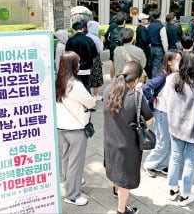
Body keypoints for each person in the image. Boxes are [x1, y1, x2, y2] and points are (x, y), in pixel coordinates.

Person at [103, 61, 153, 214]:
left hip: (110, 141)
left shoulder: (108, 90)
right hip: (127, 145)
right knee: (125, 178)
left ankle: (116, 190)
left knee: (115, 169)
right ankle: (121, 210)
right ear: (136, 80)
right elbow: (150, 121)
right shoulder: (137, 98)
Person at [162, 51, 194, 206]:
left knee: (175, 157)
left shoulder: (171, 79)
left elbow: (167, 101)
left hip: (175, 126)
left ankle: (172, 189)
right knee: (190, 162)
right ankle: (185, 194)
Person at [56, 51, 96, 206]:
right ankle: (72, 195)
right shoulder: (75, 84)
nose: (79, 65)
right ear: (72, 66)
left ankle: (68, 181)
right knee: (76, 162)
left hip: (63, 126)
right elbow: (90, 102)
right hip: (76, 126)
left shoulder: (58, 80)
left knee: (67, 157)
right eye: (77, 63)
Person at [142, 51, 182, 177]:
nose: (180, 63)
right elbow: (145, 87)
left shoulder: (176, 75)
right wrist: (153, 99)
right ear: (169, 62)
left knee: (169, 142)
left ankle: (162, 165)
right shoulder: (163, 76)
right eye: (177, 60)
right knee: (162, 142)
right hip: (162, 113)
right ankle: (149, 164)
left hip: (172, 113)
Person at [65, 21, 98, 92]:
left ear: (73, 30)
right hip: (87, 68)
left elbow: (67, 55)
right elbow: (94, 54)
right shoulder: (89, 40)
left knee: (76, 88)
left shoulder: (70, 40)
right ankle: (87, 101)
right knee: (87, 86)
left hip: (75, 68)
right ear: (83, 29)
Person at [86, 21, 104, 101]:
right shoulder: (96, 38)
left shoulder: (86, 36)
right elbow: (100, 50)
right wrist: (102, 41)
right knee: (96, 76)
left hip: (86, 59)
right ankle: (96, 95)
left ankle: (89, 94)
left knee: (88, 76)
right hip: (95, 59)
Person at [148, 10, 168, 78]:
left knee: (152, 65)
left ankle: (151, 80)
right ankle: (154, 83)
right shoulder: (161, 26)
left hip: (151, 47)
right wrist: (166, 51)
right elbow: (164, 40)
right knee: (157, 67)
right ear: (160, 16)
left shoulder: (149, 25)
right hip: (159, 48)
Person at [108, 12, 126, 79]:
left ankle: (112, 79)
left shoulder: (113, 30)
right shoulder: (125, 31)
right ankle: (121, 79)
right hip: (122, 51)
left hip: (113, 50)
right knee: (123, 65)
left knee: (113, 64)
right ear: (124, 22)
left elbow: (109, 38)